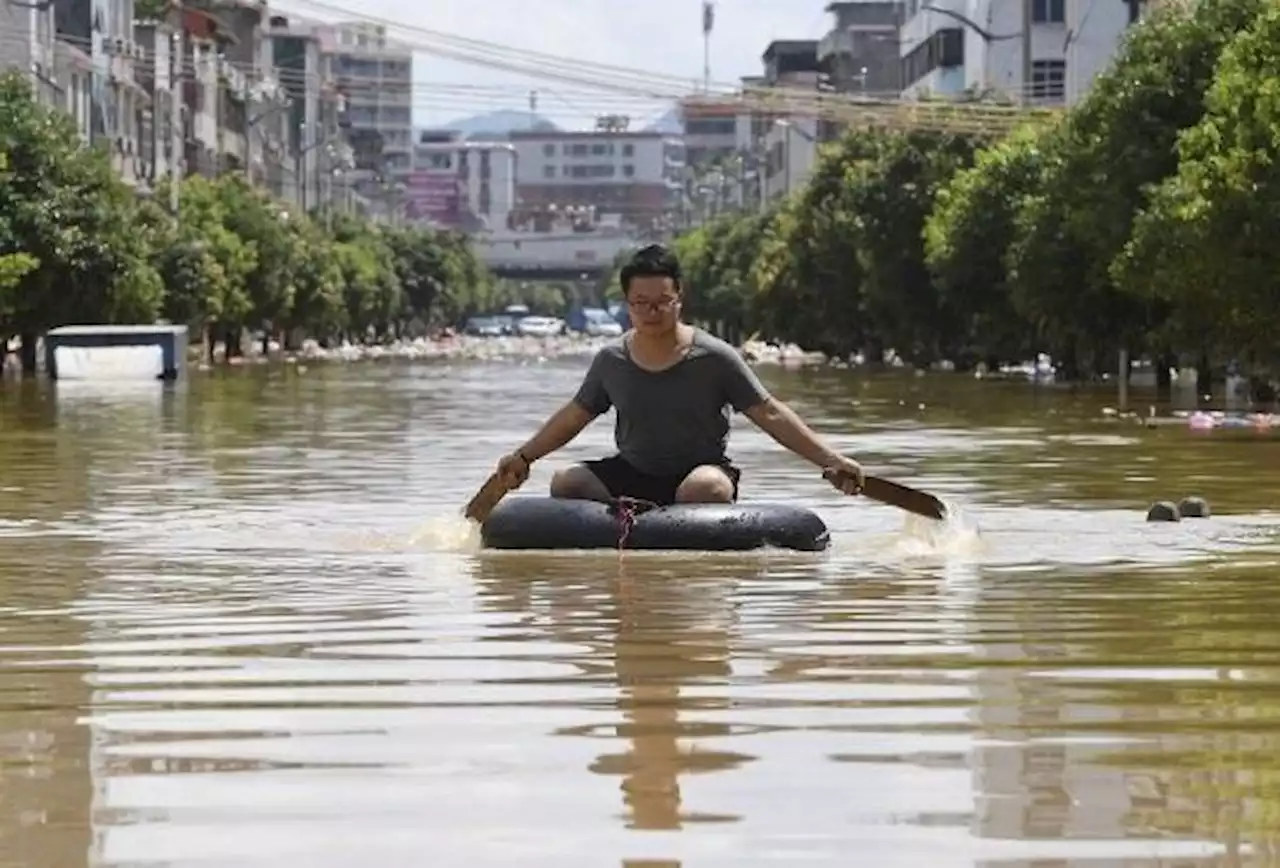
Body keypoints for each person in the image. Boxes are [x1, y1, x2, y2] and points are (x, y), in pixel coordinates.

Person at [491, 243, 865, 506]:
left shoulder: (715, 356)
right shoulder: (611, 359)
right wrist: (524, 457)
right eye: (641, 303)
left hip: (701, 472)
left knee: (705, 489)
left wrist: (831, 460)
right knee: (566, 482)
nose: (652, 312)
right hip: (633, 471)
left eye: (662, 302)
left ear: (679, 299)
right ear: (628, 305)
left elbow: (769, 413)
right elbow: (575, 416)